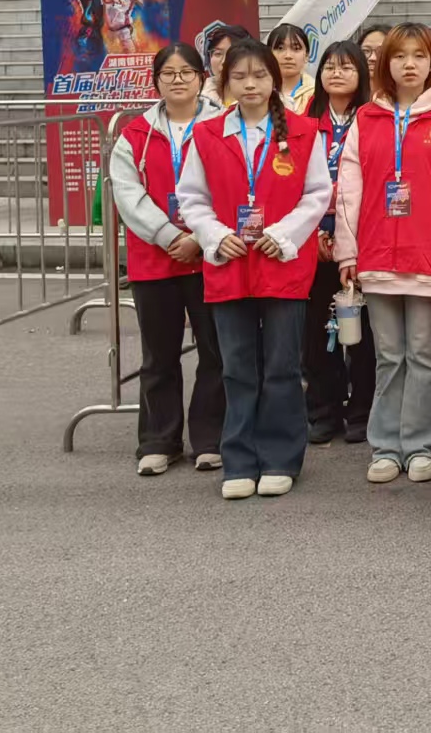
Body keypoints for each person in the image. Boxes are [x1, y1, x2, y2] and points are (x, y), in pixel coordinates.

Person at [175, 38, 330, 500]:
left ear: (274, 80)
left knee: (282, 365)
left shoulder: (303, 132)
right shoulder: (208, 134)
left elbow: (317, 194)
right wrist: (213, 235)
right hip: (230, 262)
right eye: (239, 76)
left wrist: (282, 234)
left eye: (259, 75)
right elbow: (192, 197)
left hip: (281, 263)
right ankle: (239, 459)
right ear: (225, 81)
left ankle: (280, 457)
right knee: (237, 366)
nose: (250, 85)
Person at [334, 23, 431, 486]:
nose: (409, 64)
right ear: (385, 63)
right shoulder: (367, 118)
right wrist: (347, 250)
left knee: (424, 353)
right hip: (376, 256)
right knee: (388, 355)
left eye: (418, 55)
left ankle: (420, 443)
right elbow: (348, 189)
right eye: (399, 56)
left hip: (429, 256)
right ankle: (386, 445)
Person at [109, 43, 224, 477]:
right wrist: (169, 234)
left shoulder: (223, 125)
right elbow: (128, 194)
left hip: (210, 256)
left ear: (201, 78)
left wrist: (199, 236)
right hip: (155, 259)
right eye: (168, 73)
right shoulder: (134, 134)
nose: (178, 80)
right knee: (159, 355)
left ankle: (211, 439)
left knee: (216, 351)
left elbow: (234, 184)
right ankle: (159, 440)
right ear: (155, 81)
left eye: (186, 72)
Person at [300, 41, 376, 445]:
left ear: (361, 73)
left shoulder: (373, 118)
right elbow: (290, 184)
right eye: (329, 66)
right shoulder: (304, 122)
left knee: (362, 334)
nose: (336, 73)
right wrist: (312, 233)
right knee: (317, 332)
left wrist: (353, 239)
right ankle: (323, 411)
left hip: (362, 241)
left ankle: (361, 411)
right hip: (312, 242)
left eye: (347, 67)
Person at [267, 23, 316, 115]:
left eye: (296, 49)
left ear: (306, 56)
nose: (288, 56)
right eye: (280, 48)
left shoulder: (318, 94)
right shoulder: (258, 92)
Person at [66, 0, 107, 71]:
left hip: (96, 26)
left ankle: (94, 70)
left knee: (100, 53)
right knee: (92, 55)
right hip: (89, 26)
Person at [201, 23, 252, 107]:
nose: (224, 61)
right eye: (218, 54)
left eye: (232, 54)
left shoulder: (262, 98)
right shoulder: (198, 101)